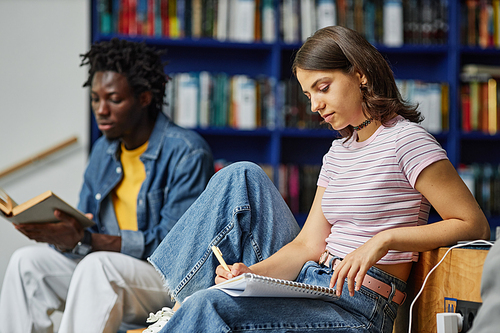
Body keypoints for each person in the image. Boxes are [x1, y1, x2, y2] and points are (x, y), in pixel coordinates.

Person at [141, 26, 491, 333]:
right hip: (315, 284)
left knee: (207, 308)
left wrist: (384, 240)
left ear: (361, 74)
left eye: (323, 87)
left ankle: (181, 315)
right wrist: (248, 274)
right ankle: (180, 308)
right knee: (239, 176)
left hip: (360, 307)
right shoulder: (338, 152)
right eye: (309, 95)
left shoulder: (407, 141)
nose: (315, 106)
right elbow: (308, 245)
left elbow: (473, 224)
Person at [0, 38, 214, 333]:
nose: (101, 110)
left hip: (167, 280)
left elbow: (173, 248)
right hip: (109, 269)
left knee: (97, 266)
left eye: (113, 99)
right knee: (27, 263)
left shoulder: (187, 152)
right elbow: (87, 226)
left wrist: (89, 242)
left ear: (144, 98)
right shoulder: (104, 150)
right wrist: (66, 236)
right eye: (95, 98)